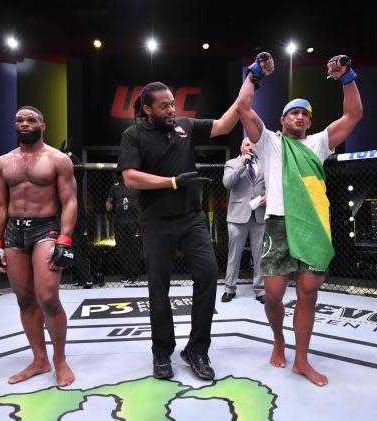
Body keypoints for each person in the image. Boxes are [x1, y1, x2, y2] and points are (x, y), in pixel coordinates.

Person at [236, 52, 363, 386]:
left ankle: (302, 360)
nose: (300, 117)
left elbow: (353, 115)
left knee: (308, 295)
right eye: (293, 112)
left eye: (304, 114)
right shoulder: (269, 143)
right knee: (275, 296)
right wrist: (254, 74)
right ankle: (278, 339)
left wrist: (346, 77)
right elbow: (244, 109)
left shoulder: (319, 143)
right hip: (278, 224)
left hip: (312, 227)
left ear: (309, 120)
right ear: (282, 120)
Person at [118, 81, 239, 381]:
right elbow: (131, 177)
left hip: (191, 218)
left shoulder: (185, 125)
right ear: (147, 109)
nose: (172, 109)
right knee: (158, 285)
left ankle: (197, 350)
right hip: (156, 221)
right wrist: (172, 182)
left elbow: (225, 124)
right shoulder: (133, 134)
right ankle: (162, 351)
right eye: (164, 106)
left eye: (173, 103)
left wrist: (251, 81)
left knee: (209, 273)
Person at [0, 106, 77, 386]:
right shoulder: (4, 162)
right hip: (14, 232)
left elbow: (70, 200)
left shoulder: (58, 160)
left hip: (45, 229)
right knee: (24, 299)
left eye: (31, 120)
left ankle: (60, 360)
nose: (24, 124)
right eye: (19, 120)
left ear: (43, 125)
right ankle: (39, 359)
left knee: (47, 296)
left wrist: (65, 239)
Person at [222, 138, 266, 304]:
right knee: (234, 255)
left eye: (254, 144)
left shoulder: (264, 164)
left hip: (259, 215)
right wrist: (242, 164)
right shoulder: (232, 163)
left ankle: (260, 290)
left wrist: (268, 197)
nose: (251, 147)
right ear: (241, 147)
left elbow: (272, 185)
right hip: (237, 216)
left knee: (260, 256)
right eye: (247, 144)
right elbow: (227, 183)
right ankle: (229, 289)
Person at [106, 173, 140, 284]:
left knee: (134, 247)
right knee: (122, 248)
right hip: (120, 222)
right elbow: (109, 201)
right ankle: (126, 274)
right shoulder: (115, 187)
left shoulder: (136, 185)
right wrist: (108, 207)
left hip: (134, 222)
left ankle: (134, 275)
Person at [66, 151, 93, 288]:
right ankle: (81, 278)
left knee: (80, 247)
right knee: (71, 247)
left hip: (79, 217)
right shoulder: (59, 178)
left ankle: (85, 278)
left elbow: (80, 166)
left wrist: (70, 154)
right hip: (64, 217)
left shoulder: (75, 177)